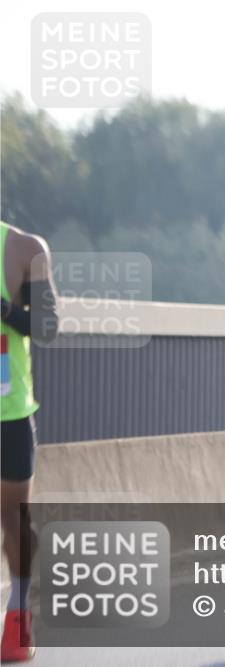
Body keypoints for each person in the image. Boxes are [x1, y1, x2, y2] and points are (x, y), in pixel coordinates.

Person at [0, 220, 58, 662]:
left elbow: (47, 327)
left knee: (15, 522)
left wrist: (3, 310)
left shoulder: (23, 249)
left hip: (8, 412)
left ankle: (18, 618)